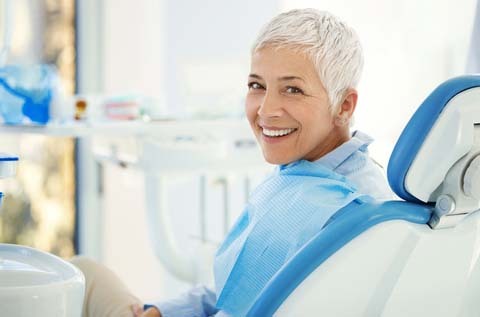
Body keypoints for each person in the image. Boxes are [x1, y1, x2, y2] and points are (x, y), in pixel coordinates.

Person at [72, 8, 394, 317]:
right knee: (82, 273)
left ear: (344, 105)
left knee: (75, 282)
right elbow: (238, 289)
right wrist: (161, 312)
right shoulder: (305, 175)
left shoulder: (350, 209)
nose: (266, 110)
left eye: (292, 90)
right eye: (257, 86)